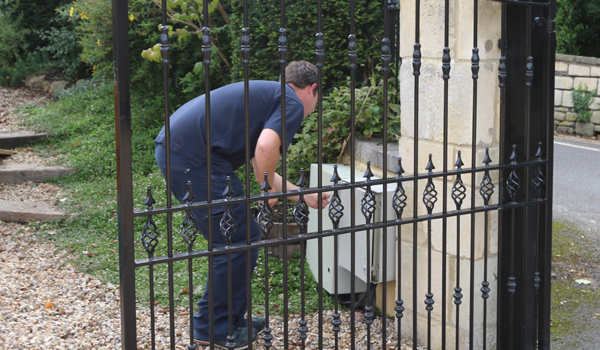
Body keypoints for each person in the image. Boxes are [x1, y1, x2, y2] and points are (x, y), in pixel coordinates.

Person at [154, 60, 331, 349]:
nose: (312, 109)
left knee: (236, 238)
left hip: (181, 151)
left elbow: (260, 158)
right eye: (316, 98)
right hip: (194, 159)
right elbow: (264, 149)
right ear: (312, 89)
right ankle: (214, 328)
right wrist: (264, 188)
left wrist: (300, 193)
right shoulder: (291, 102)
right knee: (237, 238)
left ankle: (231, 323)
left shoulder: (268, 96)